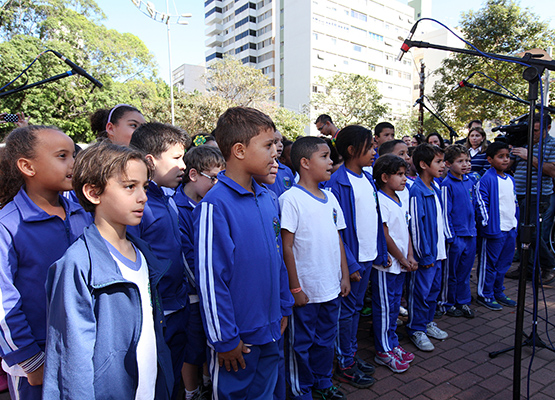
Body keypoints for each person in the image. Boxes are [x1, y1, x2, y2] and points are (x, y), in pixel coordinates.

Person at [43, 142, 174, 399]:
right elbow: (71, 359)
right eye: (129, 187)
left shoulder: (143, 251)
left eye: (144, 186)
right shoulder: (77, 265)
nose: (143, 197)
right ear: (93, 192)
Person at [194, 107, 293, 400]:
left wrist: (284, 305)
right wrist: (224, 339)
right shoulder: (215, 205)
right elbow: (211, 280)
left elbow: (277, 260)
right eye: (267, 145)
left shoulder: (268, 197)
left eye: (276, 144)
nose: (276, 152)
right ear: (239, 150)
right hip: (238, 337)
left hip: (271, 326)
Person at [0, 126, 92, 400]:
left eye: (73, 154)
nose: (73, 164)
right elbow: (3, 302)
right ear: (27, 166)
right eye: (62, 156)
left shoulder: (83, 213)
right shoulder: (8, 225)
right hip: (37, 361)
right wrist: (30, 359)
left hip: (84, 347)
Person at [280, 136, 350, 400]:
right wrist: (295, 287)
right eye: (325, 156)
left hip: (331, 287)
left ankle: (323, 382)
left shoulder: (331, 198)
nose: (331, 161)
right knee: (302, 343)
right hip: (306, 292)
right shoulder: (291, 199)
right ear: (305, 163)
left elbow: (338, 239)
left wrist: (344, 275)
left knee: (325, 339)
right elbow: (286, 247)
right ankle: (302, 389)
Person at [128, 122, 191, 399]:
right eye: (176, 157)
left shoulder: (167, 199)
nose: (184, 165)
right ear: (150, 161)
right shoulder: (138, 205)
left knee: (172, 380)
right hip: (154, 314)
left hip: (178, 306)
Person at [325, 125, 388, 388]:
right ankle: (344, 362)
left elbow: (374, 217)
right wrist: (349, 264)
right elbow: (336, 230)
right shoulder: (337, 183)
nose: (375, 151)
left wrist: (380, 251)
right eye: (370, 147)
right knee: (347, 312)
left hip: (368, 256)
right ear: (352, 150)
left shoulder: (368, 178)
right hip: (352, 261)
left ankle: (349, 355)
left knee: (353, 312)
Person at [174, 145, 226, 400]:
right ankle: (191, 391)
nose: (218, 183)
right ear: (193, 175)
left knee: (208, 344)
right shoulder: (178, 208)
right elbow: (187, 257)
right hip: (194, 294)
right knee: (192, 348)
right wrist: (206, 287)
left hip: (211, 291)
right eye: (213, 177)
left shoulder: (213, 203)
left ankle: (206, 383)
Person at [372, 154, 418, 373]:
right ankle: (383, 350)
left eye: (405, 174)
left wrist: (409, 255)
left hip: (400, 264)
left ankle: (392, 343)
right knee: (384, 307)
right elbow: (385, 234)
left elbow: (405, 230)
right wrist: (400, 258)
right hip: (387, 266)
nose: (404, 179)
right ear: (384, 177)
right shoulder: (381, 200)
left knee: (394, 308)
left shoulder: (401, 198)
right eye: (399, 175)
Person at [406, 144, 451, 352]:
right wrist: (424, 254)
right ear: (424, 165)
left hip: (439, 252)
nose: (443, 166)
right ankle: (416, 328)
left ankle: (427, 322)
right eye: (438, 162)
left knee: (433, 291)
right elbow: (415, 225)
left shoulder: (436, 187)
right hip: (427, 255)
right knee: (421, 293)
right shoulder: (416, 191)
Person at [507, 113, 555, 284]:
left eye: (536, 131)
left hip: (538, 193)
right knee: (521, 231)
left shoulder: (552, 144)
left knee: (530, 230)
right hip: (518, 192)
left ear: (547, 128)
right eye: (531, 130)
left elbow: (552, 171)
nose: (533, 134)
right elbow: (509, 165)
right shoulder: (524, 141)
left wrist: (530, 157)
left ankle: (549, 265)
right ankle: (526, 268)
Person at [475, 142, 519, 310]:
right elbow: (481, 204)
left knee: (503, 264)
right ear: (490, 159)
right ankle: (485, 294)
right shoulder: (487, 179)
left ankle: (498, 291)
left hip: (509, 229)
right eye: (500, 157)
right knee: (490, 264)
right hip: (495, 230)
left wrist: (515, 224)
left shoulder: (510, 179)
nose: (505, 160)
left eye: (507, 156)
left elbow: (513, 202)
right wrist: (487, 225)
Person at [439, 145, 476, 318]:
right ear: (448, 163)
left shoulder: (470, 181)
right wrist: (450, 236)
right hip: (456, 237)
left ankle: (463, 301)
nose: (465, 164)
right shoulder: (447, 185)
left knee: (465, 272)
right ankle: (447, 302)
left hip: (470, 234)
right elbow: (446, 213)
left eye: (467, 160)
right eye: (460, 161)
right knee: (451, 273)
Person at [267, 130, 295, 197]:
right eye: (275, 141)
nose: (280, 145)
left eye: (281, 141)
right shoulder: (260, 170)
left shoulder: (286, 170)